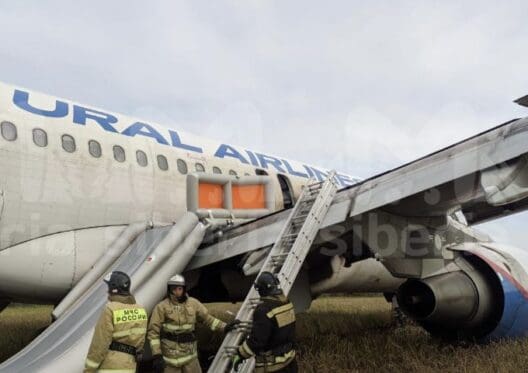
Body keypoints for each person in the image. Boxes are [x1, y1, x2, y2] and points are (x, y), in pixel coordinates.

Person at [148, 274, 238, 373]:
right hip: (170, 359)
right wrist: (157, 355)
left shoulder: (193, 304)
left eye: (179, 288)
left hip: (190, 357)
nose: (177, 292)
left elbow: (208, 320)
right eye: (173, 289)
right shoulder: (161, 307)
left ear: (184, 289)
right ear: (169, 290)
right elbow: (153, 332)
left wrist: (224, 327)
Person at [232, 271, 297, 373]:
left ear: (261, 289)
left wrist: (240, 354)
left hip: (273, 367)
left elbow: (257, 341)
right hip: (290, 362)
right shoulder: (287, 303)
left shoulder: (263, 310)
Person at [84, 271, 148, 373]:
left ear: (114, 288)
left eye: (108, 287)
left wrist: (89, 369)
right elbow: (140, 342)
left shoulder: (110, 309)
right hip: (130, 366)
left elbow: (100, 343)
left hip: (110, 367)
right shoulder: (141, 310)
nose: (107, 291)